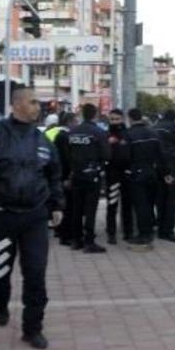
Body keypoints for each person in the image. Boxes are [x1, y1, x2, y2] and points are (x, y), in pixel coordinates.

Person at [0, 88, 64, 350]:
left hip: (34, 217)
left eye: (38, 103)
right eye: (33, 102)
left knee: (36, 274)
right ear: (16, 105)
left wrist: (57, 204)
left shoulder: (42, 140)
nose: (38, 107)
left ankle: (33, 328)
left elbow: (54, 174)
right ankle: (0, 301)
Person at [67, 104, 110, 253]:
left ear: (83, 114)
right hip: (92, 174)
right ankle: (89, 241)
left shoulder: (73, 131)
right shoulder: (98, 132)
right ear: (95, 115)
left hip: (76, 173)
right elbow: (106, 154)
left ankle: (75, 240)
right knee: (90, 209)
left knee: (77, 208)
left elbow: (68, 153)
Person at [124, 108, 162, 248]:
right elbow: (160, 154)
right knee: (149, 204)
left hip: (136, 173)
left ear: (130, 118)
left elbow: (126, 156)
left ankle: (143, 235)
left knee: (140, 205)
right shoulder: (153, 133)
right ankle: (149, 231)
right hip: (152, 172)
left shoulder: (129, 134)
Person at [152, 109, 175, 242]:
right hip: (171, 167)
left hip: (157, 167)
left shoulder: (155, 127)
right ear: (174, 118)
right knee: (171, 201)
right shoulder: (172, 128)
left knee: (160, 199)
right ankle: (167, 231)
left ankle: (160, 228)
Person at [46, 112, 75, 246]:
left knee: (58, 203)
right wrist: (68, 176)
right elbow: (67, 159)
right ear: (69, 122)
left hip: (53, 175)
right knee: (67, 205)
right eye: (75, 121)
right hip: (63, 176)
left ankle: (58, 229)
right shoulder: (65, 136)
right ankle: (65, 234)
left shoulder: (51, 134)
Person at [105, 109, 132, 244]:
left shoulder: (128, 134)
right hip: (112, 175)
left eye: (117, 119)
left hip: (126, 174)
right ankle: (111, 233)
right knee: (112, 204)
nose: (114, 122)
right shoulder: (106, 135)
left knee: (127, 205)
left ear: (122, 119)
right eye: (112, 119)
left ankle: (128, 232)